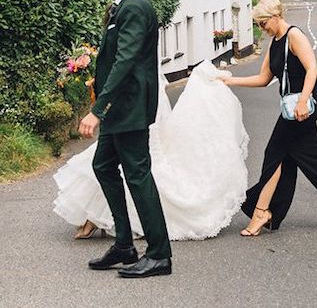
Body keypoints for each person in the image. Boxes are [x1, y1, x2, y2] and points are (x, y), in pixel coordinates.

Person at [54, 60, 249, 241]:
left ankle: (107, 223)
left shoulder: (136, 25)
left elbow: (127, 60)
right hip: (135, 95)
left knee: (129, 159)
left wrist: (101, 105)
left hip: (139, 98)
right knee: (111, 159)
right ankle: (99, 219)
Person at [224, 0, 317, 234]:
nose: (261, 29)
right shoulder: (274, 41)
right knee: (310, 160)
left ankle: (261, 212)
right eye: (258, 25)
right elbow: (264, 79)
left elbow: (312, 68)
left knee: (273, 154)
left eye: (263, 23)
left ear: (274, 17)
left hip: (303, 107)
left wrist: (303, 101)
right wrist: (230, 81)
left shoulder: (294, 35)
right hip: (291, 109)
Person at [77, 0, 172, 278]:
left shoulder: (136, 7)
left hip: (128, 106)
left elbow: (126, 60)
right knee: (102, 165)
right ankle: (124, 245)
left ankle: (159, 254)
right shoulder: (123, 7)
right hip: (121, 107)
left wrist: (97, 109)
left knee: (137, 175)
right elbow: (114, 57)